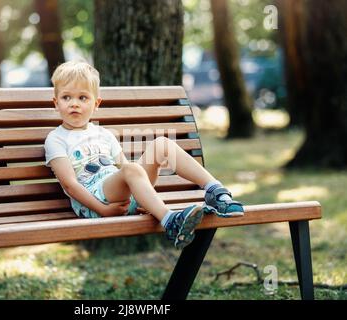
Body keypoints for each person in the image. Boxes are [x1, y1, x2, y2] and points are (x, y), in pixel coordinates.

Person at [44, 61, 244, 249]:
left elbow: (123, 168)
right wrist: (102, 210)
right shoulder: (56, 139)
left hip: (119, 195)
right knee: (132, 168)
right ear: (56, 102)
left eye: (83, 98)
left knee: (161, 145)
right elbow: (70, 185)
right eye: (66, 97)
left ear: (96, 104)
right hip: (95, 203)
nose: (74, 104)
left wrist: (141, 196)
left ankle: (216, 192)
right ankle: (170, 221)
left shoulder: (103, 134)